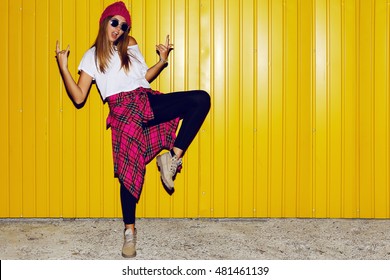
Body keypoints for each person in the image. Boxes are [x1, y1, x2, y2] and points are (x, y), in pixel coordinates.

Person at [55, 1, 210, 258]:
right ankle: (129, 233)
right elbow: (80, 97)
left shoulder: (130, 45)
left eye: (123, 25)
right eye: (114, 22)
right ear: (104, 22)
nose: (118, 28)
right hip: (122, 111)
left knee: (200, 99)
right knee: (128, 170)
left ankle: (172, 157)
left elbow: (142, 79)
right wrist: (63, 68)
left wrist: (161, 62)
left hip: (146, 100)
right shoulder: (91, 56)